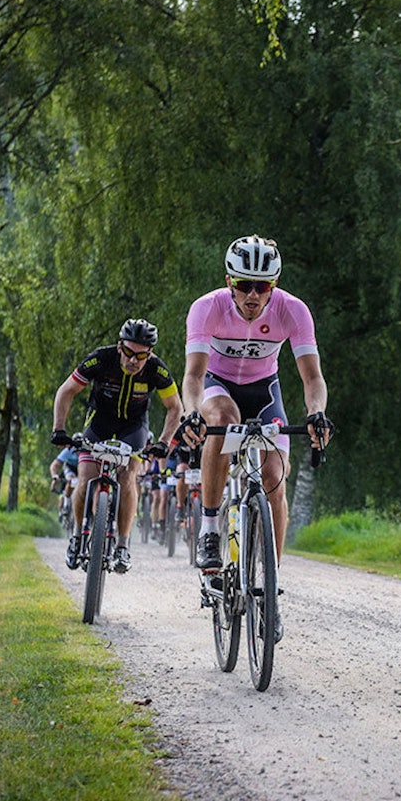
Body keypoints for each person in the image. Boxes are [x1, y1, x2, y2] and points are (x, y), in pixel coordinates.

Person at [180, 236, 332, 601]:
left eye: (261, 286)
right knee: (225, 416)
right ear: (229, 281)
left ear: (273, 285)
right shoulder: (207, 308)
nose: (252, 295)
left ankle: (270, 582)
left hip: (265, 392)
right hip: (217, 386)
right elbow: (194, 376)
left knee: (275, 479)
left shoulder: (293, 310)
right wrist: (190, 414)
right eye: (243, 285)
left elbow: (312, 378)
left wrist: (317, 414)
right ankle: (211, 529)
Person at [51, 318, 183, 574]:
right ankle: (78, 535)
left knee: (127, 477)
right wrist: (59, 429)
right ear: (119, 346)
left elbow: (175, 407)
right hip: (99, 422)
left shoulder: (156, 370)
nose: (133, 360)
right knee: (86, 475)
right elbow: (66, 391)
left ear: (150, 353)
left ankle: (122, 544)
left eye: (141, 355)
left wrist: (164, 443)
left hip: (133, 428)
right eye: (128, 352)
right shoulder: (101, 359)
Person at [49, 444, 80, 520]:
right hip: (69, 469)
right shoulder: (67, 451)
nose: (78, 449)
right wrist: (54, 476)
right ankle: (66, 505)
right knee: (70, 480)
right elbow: (54, 465)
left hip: (81, 468)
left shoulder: (86, 451)